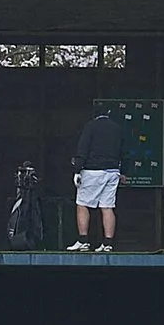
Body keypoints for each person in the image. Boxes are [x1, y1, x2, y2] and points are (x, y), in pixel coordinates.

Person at [71, 106, 124, 251]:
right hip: (113, 171)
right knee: (107, 206)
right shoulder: (117, 128)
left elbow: (83, 148)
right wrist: (124, 171)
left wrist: (77, 170)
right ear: (108, 113)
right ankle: (108, 244)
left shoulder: (90, 126)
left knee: (82, 204)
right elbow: (123, 151)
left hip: (93, 170)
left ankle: (83, 241)